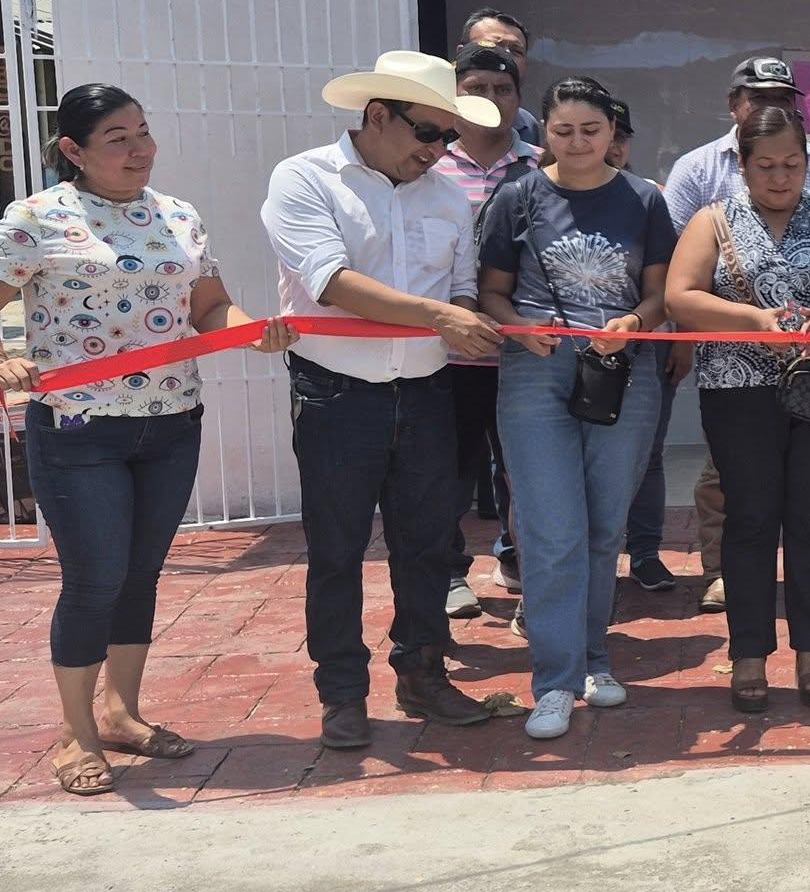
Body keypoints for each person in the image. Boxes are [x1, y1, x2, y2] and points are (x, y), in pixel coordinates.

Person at [0, 84, 295, 796]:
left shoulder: (177, 215)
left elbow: (208, 306)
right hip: (79, 429)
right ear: (73, 151)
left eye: (143, 132)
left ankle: (121, 714)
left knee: (140, 575)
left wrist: (250, 331)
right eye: (118, 139)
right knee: (95, 578)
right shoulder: (37, 217)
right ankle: (76, 735)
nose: (140, 150)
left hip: (171, 422)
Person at [261, 51, 510, 750]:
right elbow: (331, 282)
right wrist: (441, 317)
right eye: (428, 132)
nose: (438, 150)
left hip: (427, 390)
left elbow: (460, 289)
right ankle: (342, 693)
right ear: (377, 115)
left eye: (448, 137)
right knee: (337, 550)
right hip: (336, 393)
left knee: (427, 545)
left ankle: (423, 674)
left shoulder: (447, 197)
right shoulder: (304, 178)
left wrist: (471, 319)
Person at [667, 105, 810, 710]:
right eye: (765, 165)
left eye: (792, 164)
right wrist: (752, 321)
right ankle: (749, 652)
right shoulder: (714, 220)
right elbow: (680, 297)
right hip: (738, 391)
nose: (780, 177)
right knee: (751, 519)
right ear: (742, 165)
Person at [476, 77, 677, 741]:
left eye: (591, 130)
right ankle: (554, 681)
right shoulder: (517, 197)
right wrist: (517, 327)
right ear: (546, 133)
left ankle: (593, 658)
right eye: (563, 132)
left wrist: (634, 322)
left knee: (603, 525)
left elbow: (660, 295)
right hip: (536, 369)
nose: (578, 143)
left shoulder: (644, 199)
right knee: (550, 528)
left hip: (623, 370)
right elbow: (492, 291)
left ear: (613, 132)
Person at [664, 57, 810, 613]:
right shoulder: (698, 172)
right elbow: (679, 280)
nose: (780, 176)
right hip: (734, 378)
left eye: (783, 98)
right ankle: (727, 585)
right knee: (741, 501)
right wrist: (746, 322)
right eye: (759, 97)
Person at [433, 45, 536, 620]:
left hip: (526, 353)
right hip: (448, 356)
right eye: (475, 88)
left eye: (502, 89)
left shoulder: (544, 166)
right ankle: (450, 573)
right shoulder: (427, 166)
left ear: (519, 98)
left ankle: (523, 562)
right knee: (449, 471)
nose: (490, 100)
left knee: (526, 471)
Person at [613, 95, 690, 594]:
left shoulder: (649, 197)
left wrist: (680, 340)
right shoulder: (540, 194)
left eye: (620, 136)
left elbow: (672, 282)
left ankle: (644, 552)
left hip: (648, 346)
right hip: (568, 350)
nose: (610, 146)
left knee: (649, 454)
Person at [461, 8, 542, 148]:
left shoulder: (527, 125)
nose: (505, 56)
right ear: (462, 53)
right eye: (493, 46)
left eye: (516, 51)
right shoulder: (435, 118)